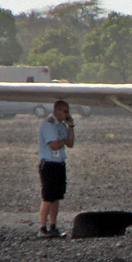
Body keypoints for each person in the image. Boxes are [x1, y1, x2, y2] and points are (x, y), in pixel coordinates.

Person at [38, 100, 76, 238]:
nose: (67, 114)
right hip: (49, 164)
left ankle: (53, 226)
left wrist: (71, 127)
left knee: (56, 197)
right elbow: (54, 145)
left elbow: (70, 143)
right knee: (48, 197)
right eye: (65, 111)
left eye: (68, 112)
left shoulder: (61, 126)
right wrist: (64, 141)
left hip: (59, 163)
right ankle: (42, 228)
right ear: (57, 110)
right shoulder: (49, 124)